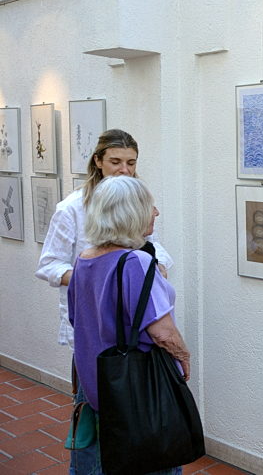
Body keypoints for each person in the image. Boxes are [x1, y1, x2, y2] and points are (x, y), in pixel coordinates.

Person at [68, 175, 189, 474]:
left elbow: (76, 318)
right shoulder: (135, 262)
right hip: (136, 389)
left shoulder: (84, 259)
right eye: (149, 205)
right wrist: (184, 357)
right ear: (130, 212)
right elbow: (162, 333)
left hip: (96, 385)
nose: (156, 212)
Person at [35, 129, 173, 349]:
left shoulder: (138, 203)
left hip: (134, 313)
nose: (124, 170)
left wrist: (158, 266)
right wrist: (101, 278)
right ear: (98, 161)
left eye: (131, 163)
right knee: (94, 367)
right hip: (91, 315)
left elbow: (150, 244)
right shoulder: (71, 208)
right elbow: (49, 265)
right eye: (115, 162)